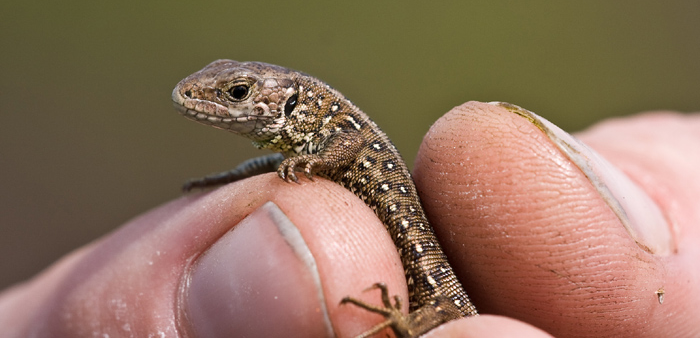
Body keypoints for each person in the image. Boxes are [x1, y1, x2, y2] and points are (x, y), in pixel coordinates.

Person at [1, 102, 697, 337]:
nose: (215, 104)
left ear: (289, 108)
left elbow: (345, 153)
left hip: (438, 302)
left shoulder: (334, 140)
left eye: (238, 95)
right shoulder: (299, 152)